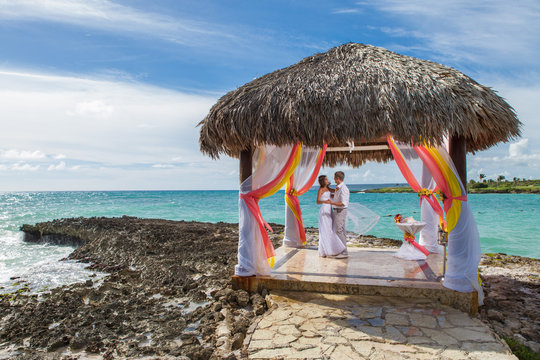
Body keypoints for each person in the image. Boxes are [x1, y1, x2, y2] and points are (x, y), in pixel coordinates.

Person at [316, 175, 347, 258]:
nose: (327, 180)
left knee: (331, 229)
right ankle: (325, 250)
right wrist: (326, 201)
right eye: (326, 179)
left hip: (330, 210)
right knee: (326, 229)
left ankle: (332, 248)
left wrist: (338, 191)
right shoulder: (321, 189)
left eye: (327, 179)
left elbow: (337, 193)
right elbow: (318, 201)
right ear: (322, 181)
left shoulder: (329, 189)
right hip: (324, 211)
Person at [329, 171, 349, 257]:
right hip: (337, 210)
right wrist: (327, 189)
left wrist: (331, 203)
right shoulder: (338, 187)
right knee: (341, 230)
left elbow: (343, 203)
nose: (334, 180)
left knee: (339, 231)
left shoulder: (343, 188)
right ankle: (341, 249)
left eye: (334, 178)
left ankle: (344, 252)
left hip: (341, 211)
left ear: (337, 178)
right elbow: (336, 194)